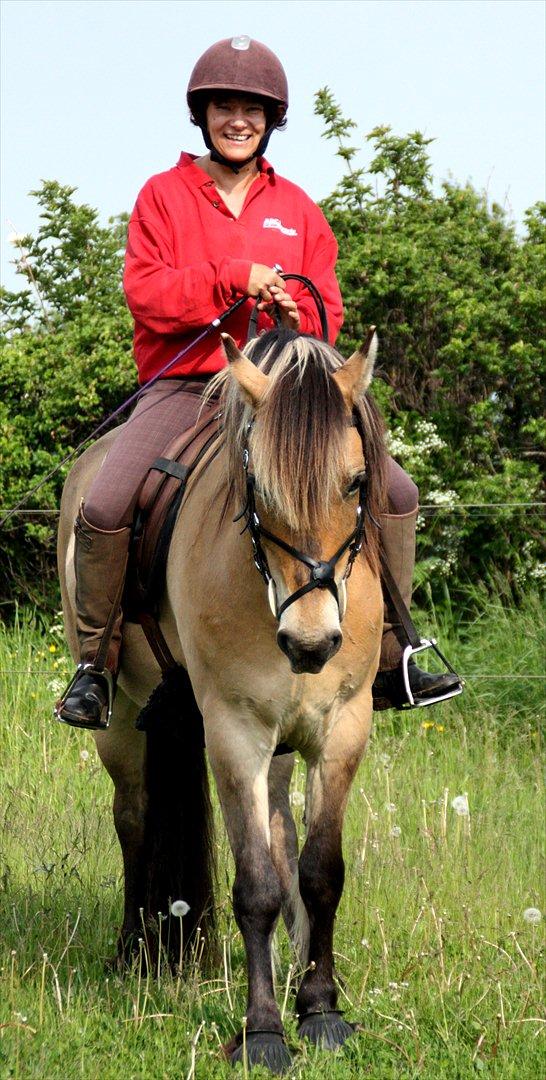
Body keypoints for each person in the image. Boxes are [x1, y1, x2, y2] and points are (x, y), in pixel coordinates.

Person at [57, 36, 460, 730]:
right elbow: (145, 292)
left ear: (271, 118)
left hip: (285, 398)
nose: (237, 119)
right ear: (202, 114)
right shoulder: (162, 197)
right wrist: (231, 280)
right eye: (223, 106)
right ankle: (97, 664)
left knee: (396, 490)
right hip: (187, 387)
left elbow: (328, 304)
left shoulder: (299, 208)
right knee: (106, 502)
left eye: (251, 108)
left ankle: (396, 649)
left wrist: (302, 315)